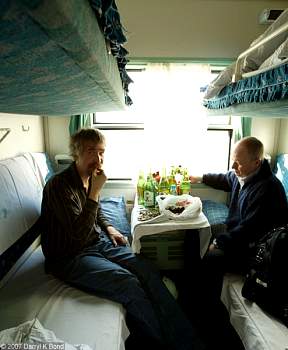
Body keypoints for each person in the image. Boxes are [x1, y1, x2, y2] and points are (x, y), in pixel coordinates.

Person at [40, 128, 206, 350]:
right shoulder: (59, 186)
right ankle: (163, 343)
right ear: (76, 153)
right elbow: (77, 234)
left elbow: (94, 211)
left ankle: (187, 342)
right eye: (91, 151)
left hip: (94, 242)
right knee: (128, 282)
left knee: (145, 268)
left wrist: (109, 227)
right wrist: (95, 193)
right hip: (68, 256)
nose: (98, 159)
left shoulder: (89, 178)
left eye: (102, 152)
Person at [183, 136, 288, 348]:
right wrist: (199, 177)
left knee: (211, 258)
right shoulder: (244, 174)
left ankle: (207, 314)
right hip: (240, 234)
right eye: (232, 160)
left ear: (256, 163)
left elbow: (250, 229)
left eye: (237, 162)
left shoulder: (267, 188)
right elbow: (225, 178)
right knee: (194, 232)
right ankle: (188, 289)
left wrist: (220, 242)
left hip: (256, 250)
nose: (233, 166)